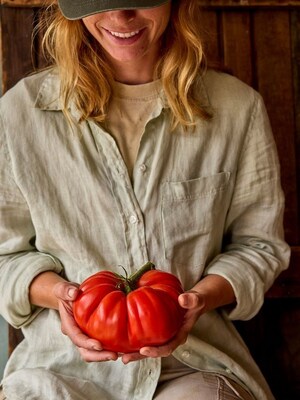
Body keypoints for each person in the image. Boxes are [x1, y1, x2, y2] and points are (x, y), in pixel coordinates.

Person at [0, 0, 290, 399]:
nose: (122, 18)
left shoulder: (236, 109)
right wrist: (63, 299)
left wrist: (198, 300)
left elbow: (259, 247)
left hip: (193, 366)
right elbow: (4, 254)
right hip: (59, 370)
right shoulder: (19, 114)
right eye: (102, 2)